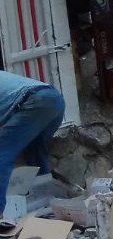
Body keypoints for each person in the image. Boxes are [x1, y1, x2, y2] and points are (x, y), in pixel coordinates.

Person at [0, 69, 65, 218]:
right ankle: (48, 204)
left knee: (2, 152)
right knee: (35, 152)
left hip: (35, 101)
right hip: (54, 99)